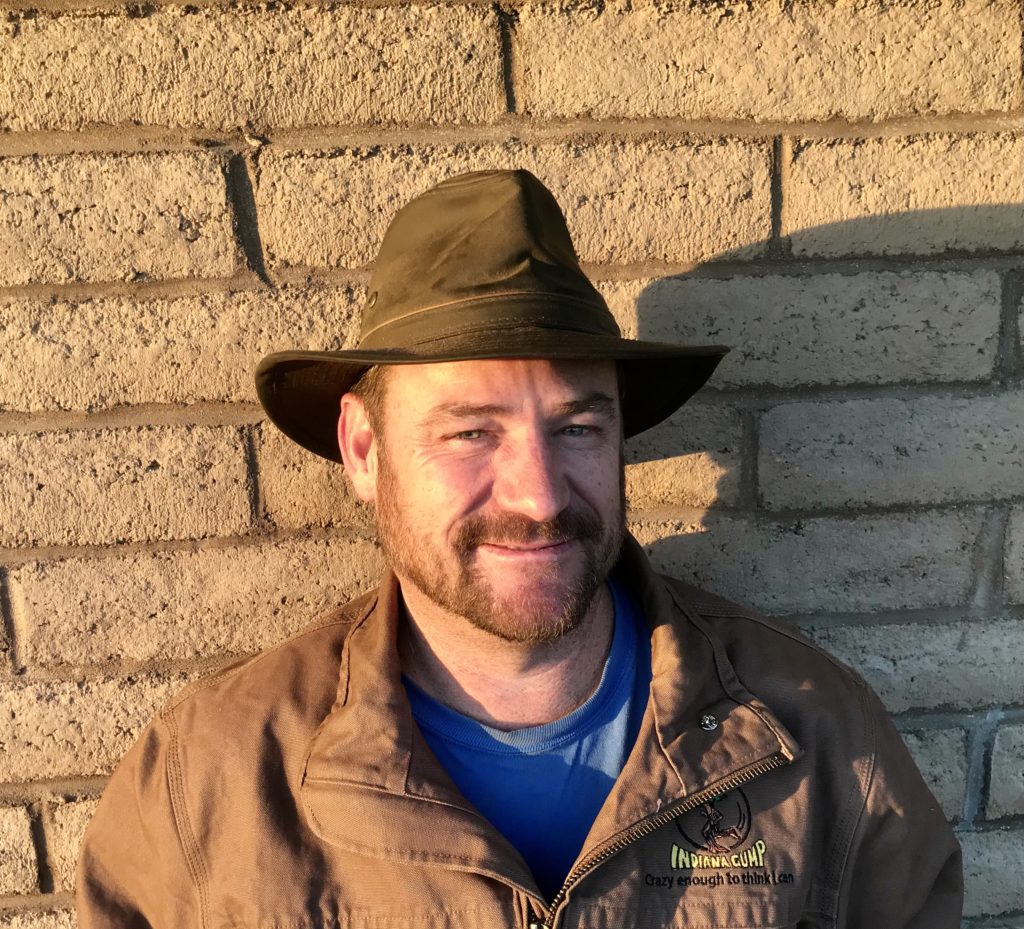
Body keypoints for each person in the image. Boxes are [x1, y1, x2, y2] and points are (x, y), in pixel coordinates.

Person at [77, 170, 962, 928]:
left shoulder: (816, 738)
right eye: (470, 433)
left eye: (578, 426)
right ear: (362, 448)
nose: (539, 496)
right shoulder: (207, 785)